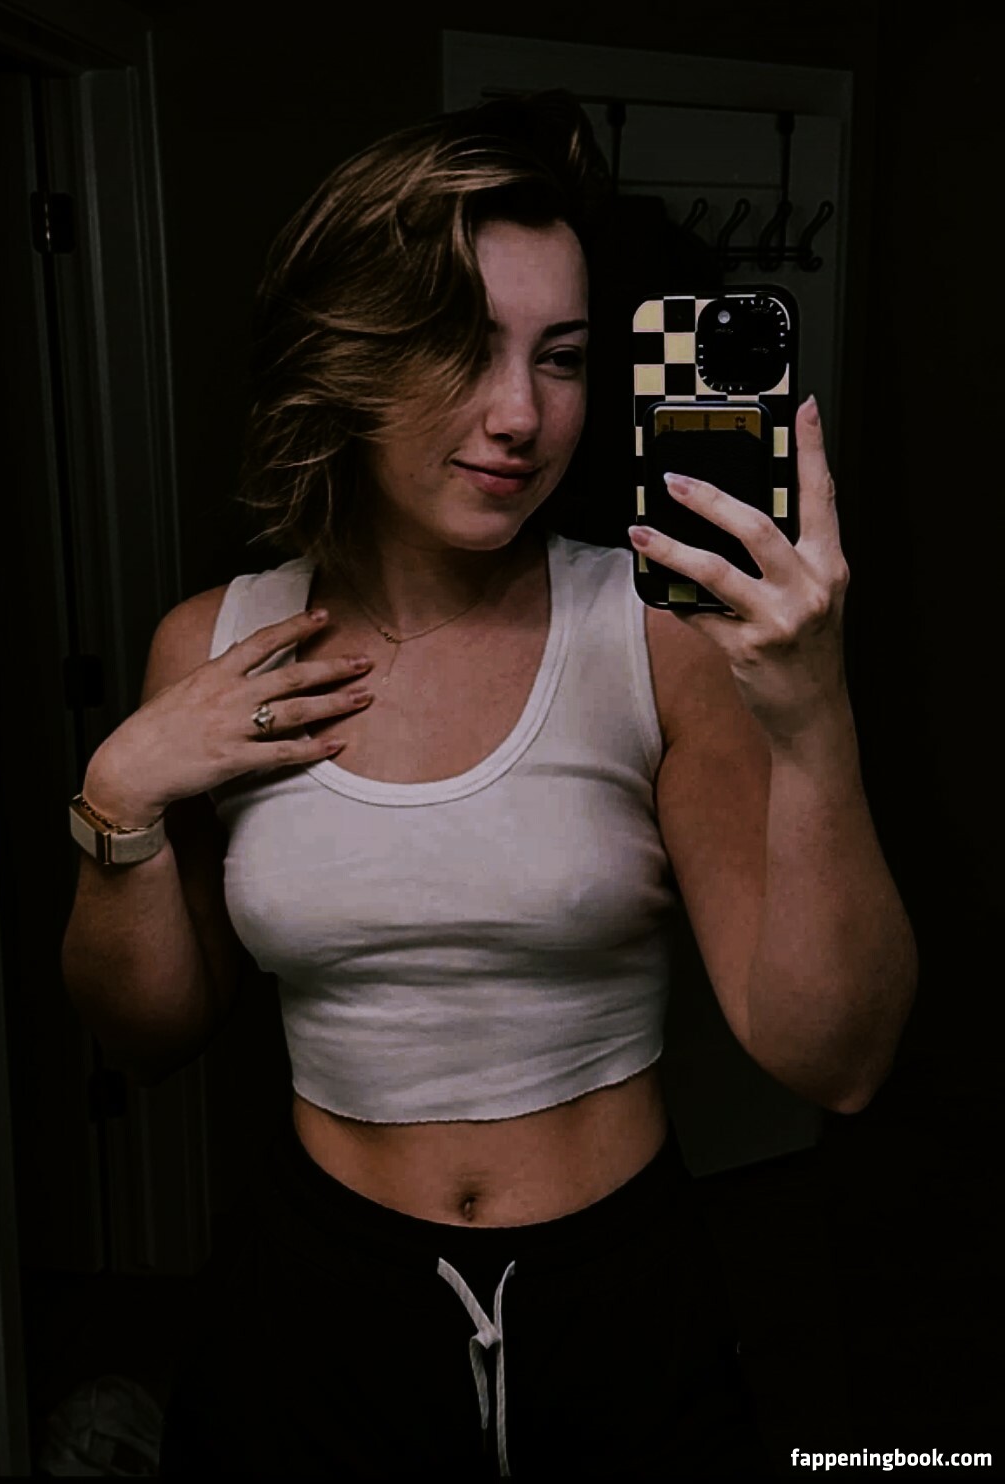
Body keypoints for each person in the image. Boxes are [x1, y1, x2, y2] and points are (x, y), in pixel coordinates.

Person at [60, 92, 918, 1480]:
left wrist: (812, 711)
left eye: (562, 357)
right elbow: (146, 1035)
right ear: (351, 351)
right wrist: (119, 796)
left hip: (618, 1291)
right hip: (316, 1292)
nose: (520, 415)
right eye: (460, 344)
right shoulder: (214, 646)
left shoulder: (651, 639)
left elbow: (839, 1058)